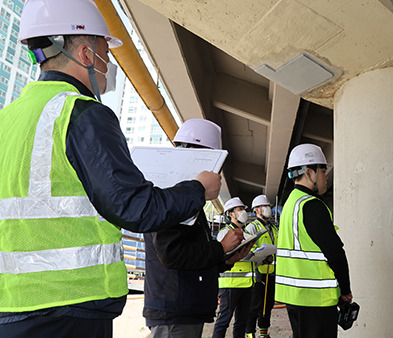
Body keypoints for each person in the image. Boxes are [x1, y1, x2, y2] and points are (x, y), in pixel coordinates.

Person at [0, 1, 223, 337]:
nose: (110, 63)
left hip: (12, 307)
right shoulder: (81, 113)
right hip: (71, 306)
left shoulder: (9, 118)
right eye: (106, 51)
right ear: (87, 54)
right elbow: (134, 207)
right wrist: (198, 190)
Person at [143, 119, 249, 338]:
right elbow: (171, 253)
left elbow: (188, 251)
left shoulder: (183, 196)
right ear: (193, 152)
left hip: (183, 307)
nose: (215, 173)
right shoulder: (173, 195)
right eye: (212, 161)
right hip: (175, 310)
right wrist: (219, 248)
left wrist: (223, 260)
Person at [275, 143, 353, 338]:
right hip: (316, 300)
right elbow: (335, 252)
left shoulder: (291, 204)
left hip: (295, 298)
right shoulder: (312, 206)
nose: (325, 177)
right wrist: (346, 289)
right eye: (323, 171)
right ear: (309, 172)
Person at [213, 198, 255, 338]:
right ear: (231, 214)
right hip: (230, 285)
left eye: (244, 209)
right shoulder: (225, 233)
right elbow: (224, 256)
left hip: (247, 284)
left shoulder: (247, 235)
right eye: (240, 209)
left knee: (241, 322)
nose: (244, 212)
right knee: (224, 320)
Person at [245, 195, 278, 338]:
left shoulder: (273, 228)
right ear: (257, 210)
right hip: (258, 272)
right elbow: (247, 252)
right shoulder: (252, 228)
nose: (268, 209)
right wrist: (261, 258)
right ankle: (249, 334)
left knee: (267, 305)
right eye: (265, 206)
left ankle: (263, 334)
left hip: (272, 271)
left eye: (269, 206)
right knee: (254, 306)